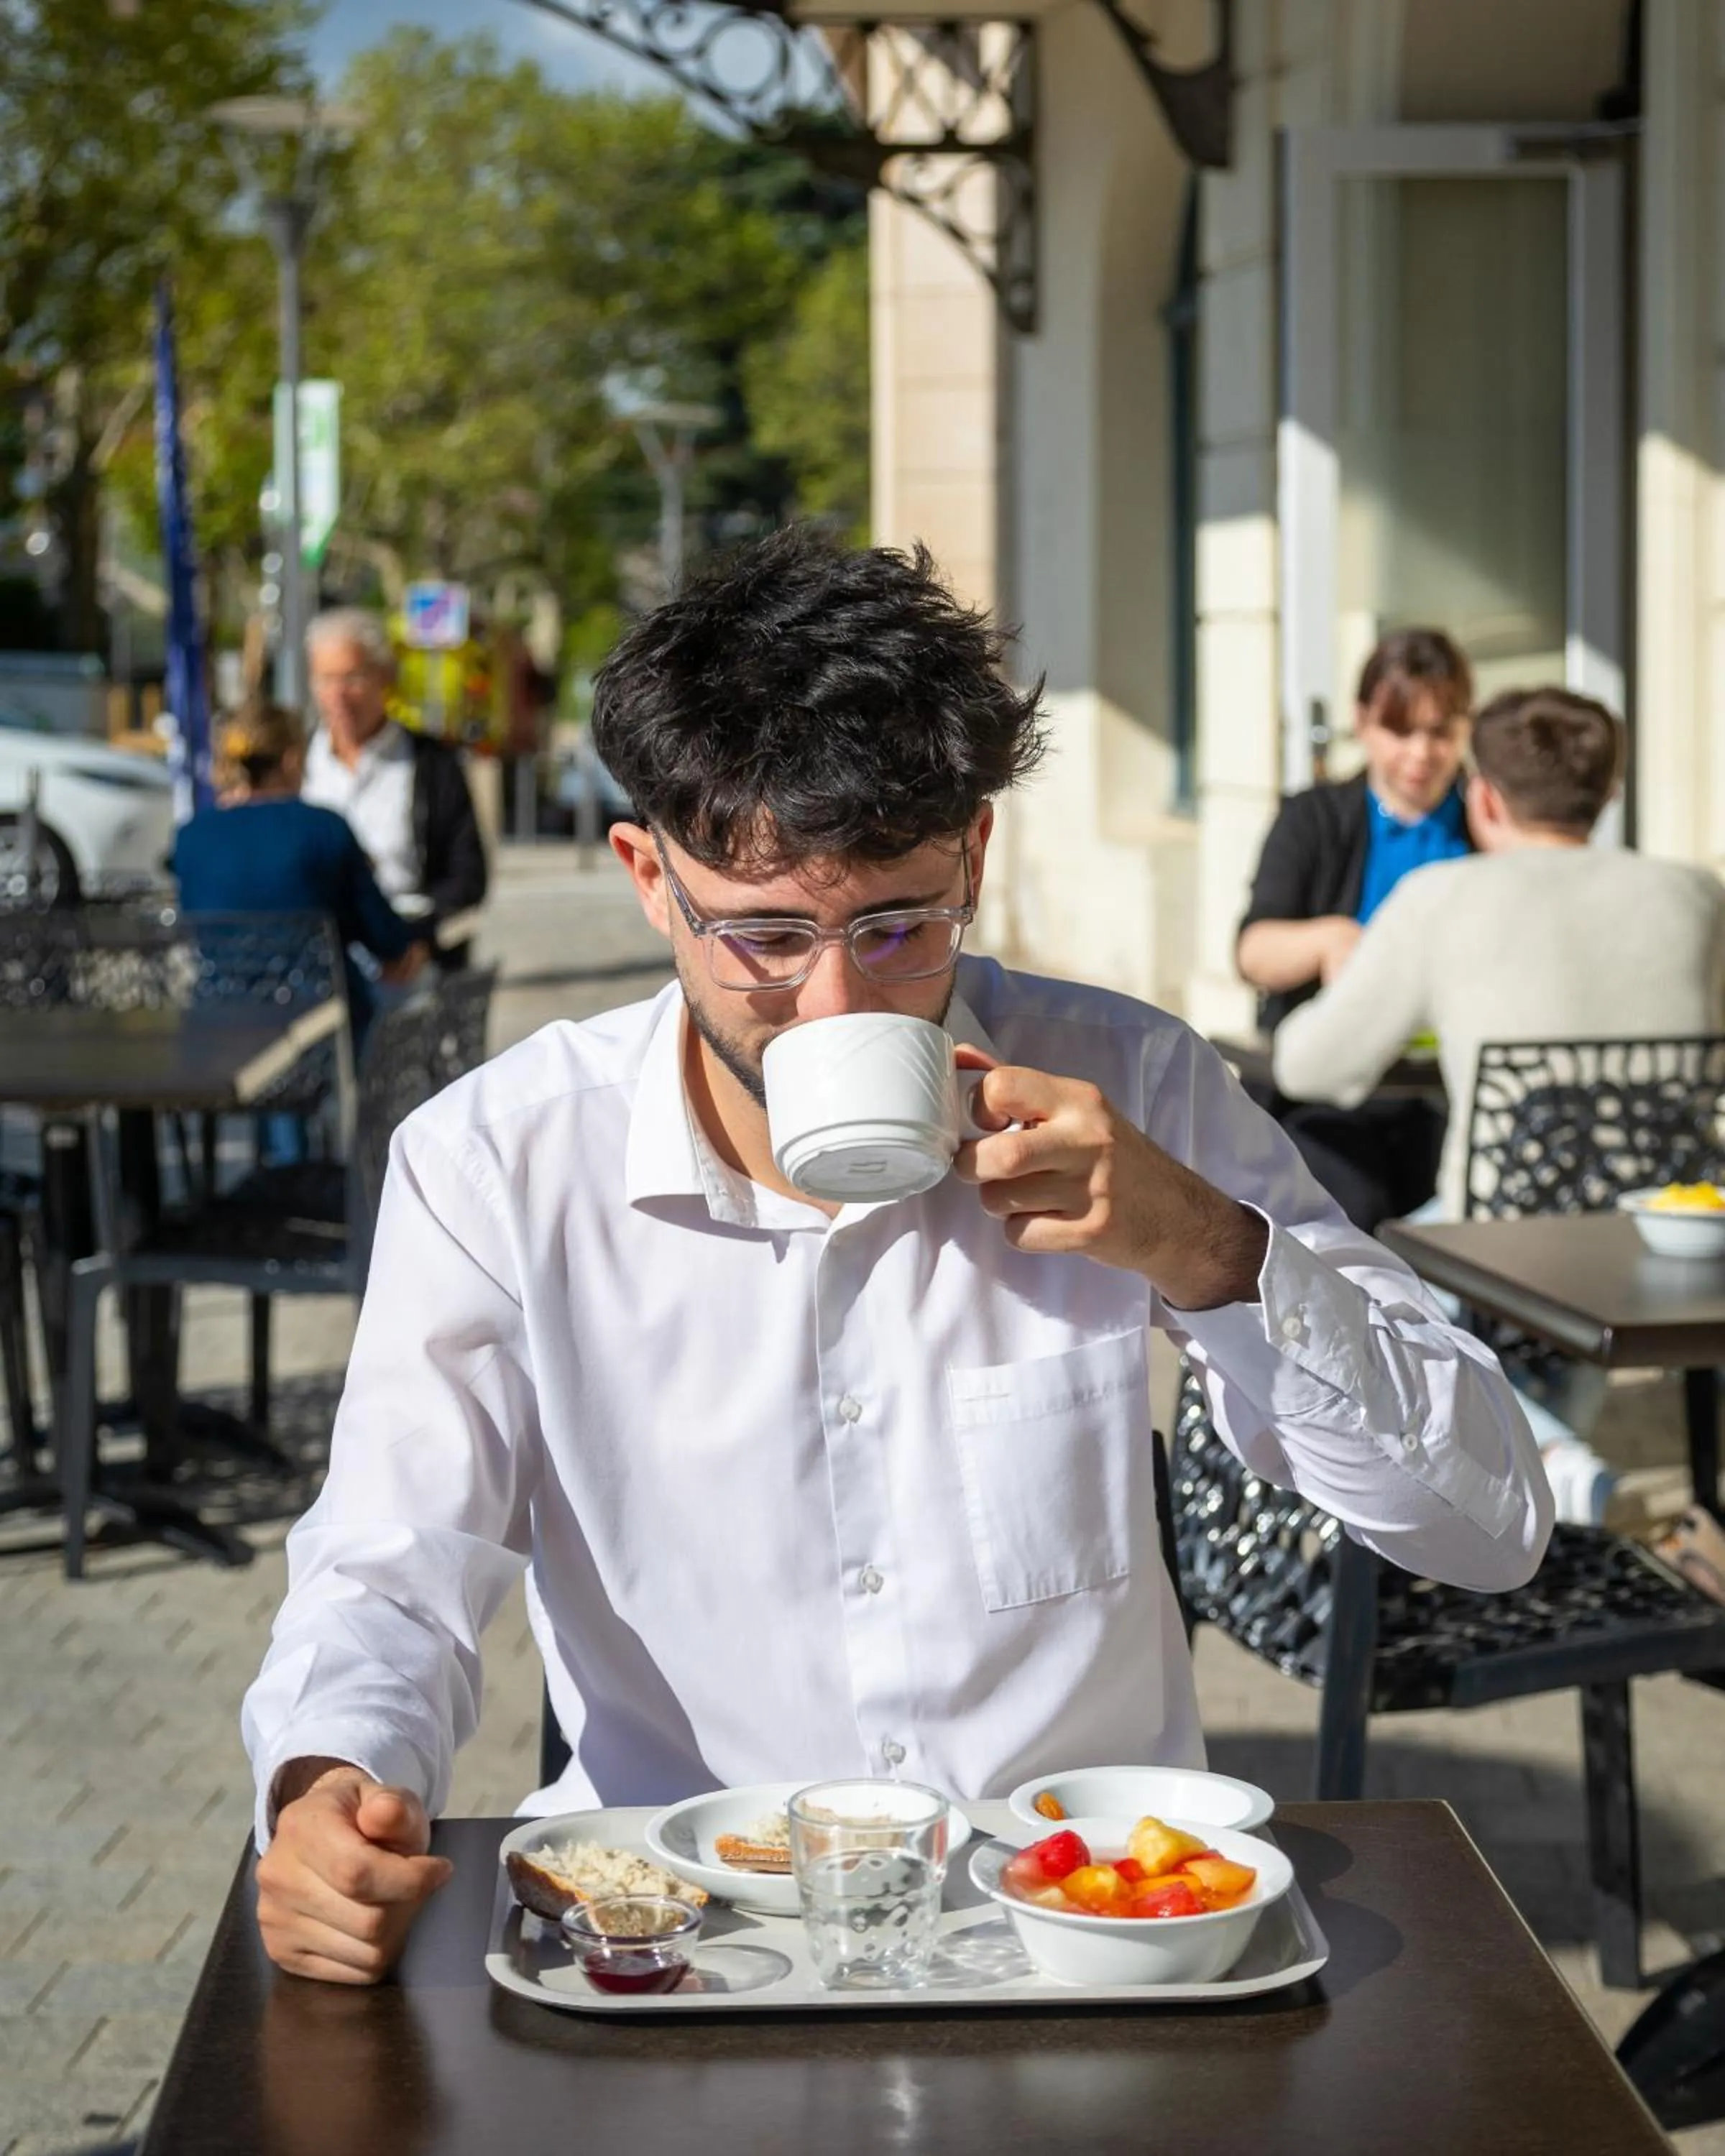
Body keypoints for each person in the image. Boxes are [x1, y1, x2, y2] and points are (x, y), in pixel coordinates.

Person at [242, 529, 1551, 1986]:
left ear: (975, 854)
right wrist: (329, 1780)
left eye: (896, 922)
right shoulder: (499, 1163)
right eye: (761, 935)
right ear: (646, 877)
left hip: (1087, 1942)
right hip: (676, 1944)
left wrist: (1205, 1246)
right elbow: (389, 1563)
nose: (831, 1001)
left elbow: (1486, 1524)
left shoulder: (1136, 1087)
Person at [1273, 686, 1725, 1519]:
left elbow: (1309, 1065)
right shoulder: (1696, 895)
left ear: (1482, 794)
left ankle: (1553, 1467)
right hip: (1662, 1228)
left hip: (1499, 1230)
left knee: (1359, 1297)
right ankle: (1555, 1474)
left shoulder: (1444, 897)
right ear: (1610, 794)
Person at [1236, 628, 1475, 1230]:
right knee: (1348, 1206)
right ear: (1363, 722)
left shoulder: (1485, 819)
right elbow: (1254, 951)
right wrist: (1328, 939)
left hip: (1451, 1093)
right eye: (1402, 731)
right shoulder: (1314, 817)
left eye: (1441, 732)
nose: (1422, 754)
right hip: (1333, 1093)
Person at [173, 697, 428, 1043]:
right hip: (320, 1037)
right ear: (293, 760)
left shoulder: (191, 837)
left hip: (221, 1034)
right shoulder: (323, 828)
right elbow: (386, 939)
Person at [300, 608, 489, 959]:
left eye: (352, 678)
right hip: (316, 956)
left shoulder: (432, 764)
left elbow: (468, 877)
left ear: (384, 677)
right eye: (325, 680)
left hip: (405, 952)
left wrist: (420, 942)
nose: (338, 695)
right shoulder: (296, 763)